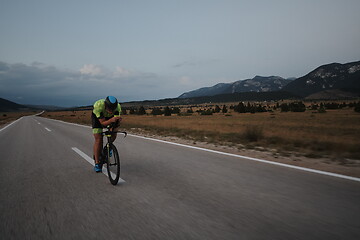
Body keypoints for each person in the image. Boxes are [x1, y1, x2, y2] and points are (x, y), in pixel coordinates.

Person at [92, 96, 122, 172]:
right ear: (105, 105)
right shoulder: (98, 106)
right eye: (109, 109)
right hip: (98, 119)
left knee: (114, 132)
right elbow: (102, 123)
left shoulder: (118, 107)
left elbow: (117, 123)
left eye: (113, 109)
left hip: (110, 118)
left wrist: (115, 125)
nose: (111, 111)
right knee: (99, 139)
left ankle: (108, 147)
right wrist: (111, 120)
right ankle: (97, 163)